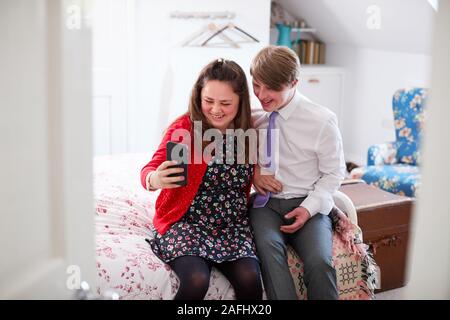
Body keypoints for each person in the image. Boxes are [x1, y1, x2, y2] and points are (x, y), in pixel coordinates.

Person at [140, 59, 262, 300]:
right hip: (185, 222)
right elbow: (150, 169)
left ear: (240, 101)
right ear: (198, 97)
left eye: (225, 103)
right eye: (209, 101)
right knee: (196, 280)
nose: (216, 109)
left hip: (231, 226)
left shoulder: (249, 132)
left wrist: (258, 171)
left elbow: (258, 168)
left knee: (250, 281)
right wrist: (155, 179)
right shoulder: (185, 128)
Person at [249, 45, 346, 300]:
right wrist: (255, 174)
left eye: (272, 88)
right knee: (269, 254)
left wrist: (309, 208)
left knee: (320, 262)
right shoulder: (253, 116)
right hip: (265, 205)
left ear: (294, 82)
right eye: (257, 85)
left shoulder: (322, 120)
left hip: (307, 203)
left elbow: (334, 173)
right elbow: (234, 157)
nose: (262, 94)